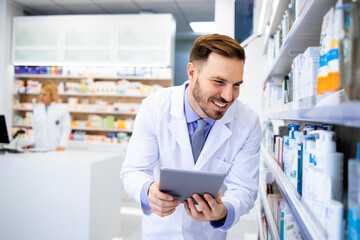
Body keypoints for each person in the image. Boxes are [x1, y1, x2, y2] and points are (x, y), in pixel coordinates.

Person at [120, 33, 261, 240]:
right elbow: (134, 170)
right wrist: (148, 191)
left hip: (208, 235)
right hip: (161, 231)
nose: (229, 96)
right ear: (192, 72)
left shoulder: (248, 121)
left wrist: (223, 211)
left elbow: (245, 188)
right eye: (218, 82)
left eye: (236, 85)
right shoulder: (155, 107)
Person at [23, 81, 71, 151]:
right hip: (39, 147)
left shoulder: (62, 109)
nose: (41, 97)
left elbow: (66, 129)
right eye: (40, 94)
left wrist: (62, 145)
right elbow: (35, 129)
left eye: (44, 95)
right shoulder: (37, 109)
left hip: (55, 148)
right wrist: (31, 144)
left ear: (52, 96)